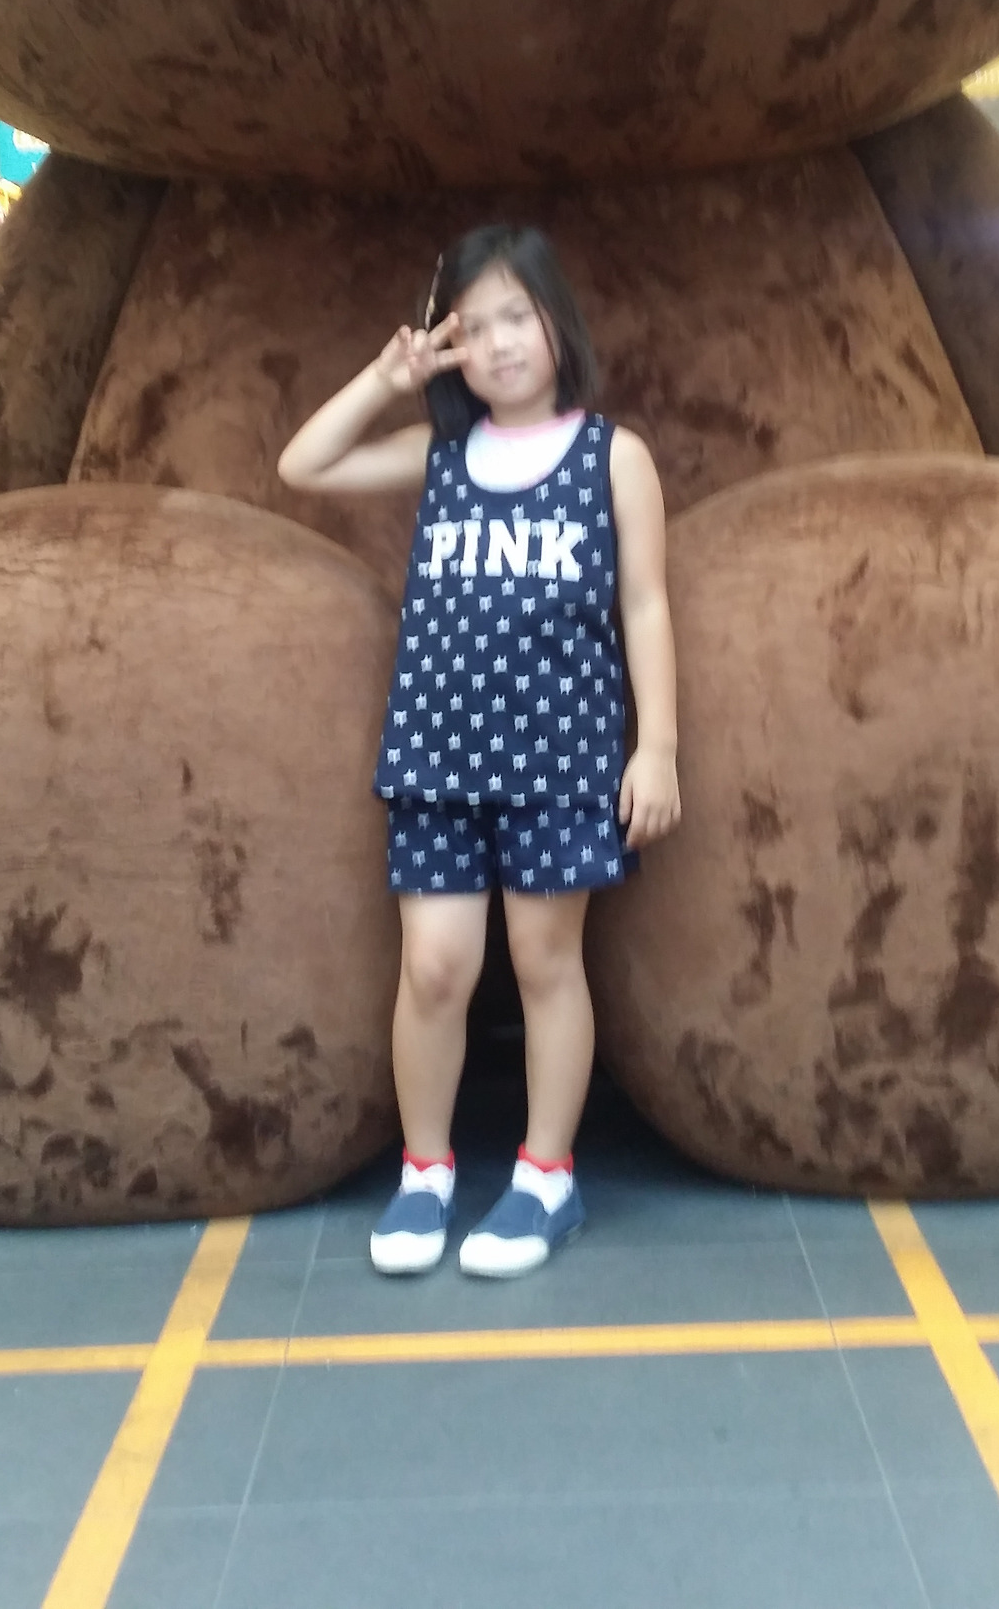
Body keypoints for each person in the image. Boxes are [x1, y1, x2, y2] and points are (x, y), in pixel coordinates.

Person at [278, 224, 680, 1277]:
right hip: (437, 752)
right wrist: (387, 379)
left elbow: (644, 605)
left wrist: (657, 748)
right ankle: (426, 1172)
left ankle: (545, 1176)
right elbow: (302, 463)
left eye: (518, 316)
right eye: (475, 326)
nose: (500, 343)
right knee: (434, 967)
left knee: (547, 964)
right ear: (449, 343)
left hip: (564, 755)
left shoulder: (612, 456)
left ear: (557, 324)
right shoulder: (439, 453)